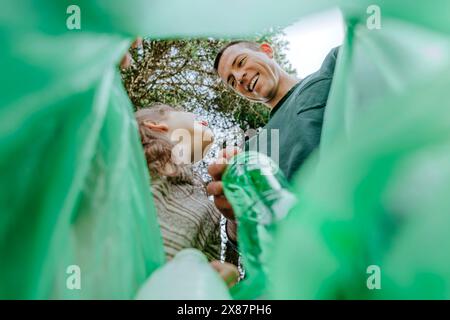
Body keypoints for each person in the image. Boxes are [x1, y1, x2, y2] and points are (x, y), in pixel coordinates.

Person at [208, 40, 338, 222]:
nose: (238, 78)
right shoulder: (249, 153)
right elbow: (254, 226)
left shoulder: (332, 68)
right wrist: (236, 220)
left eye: (241, 62)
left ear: (267, 50)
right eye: (231, 81)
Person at [135, 103, 239, 263]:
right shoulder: (135, 167)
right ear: (155, 125)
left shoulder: (208, 205)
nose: (200, 118)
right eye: (182, 111)